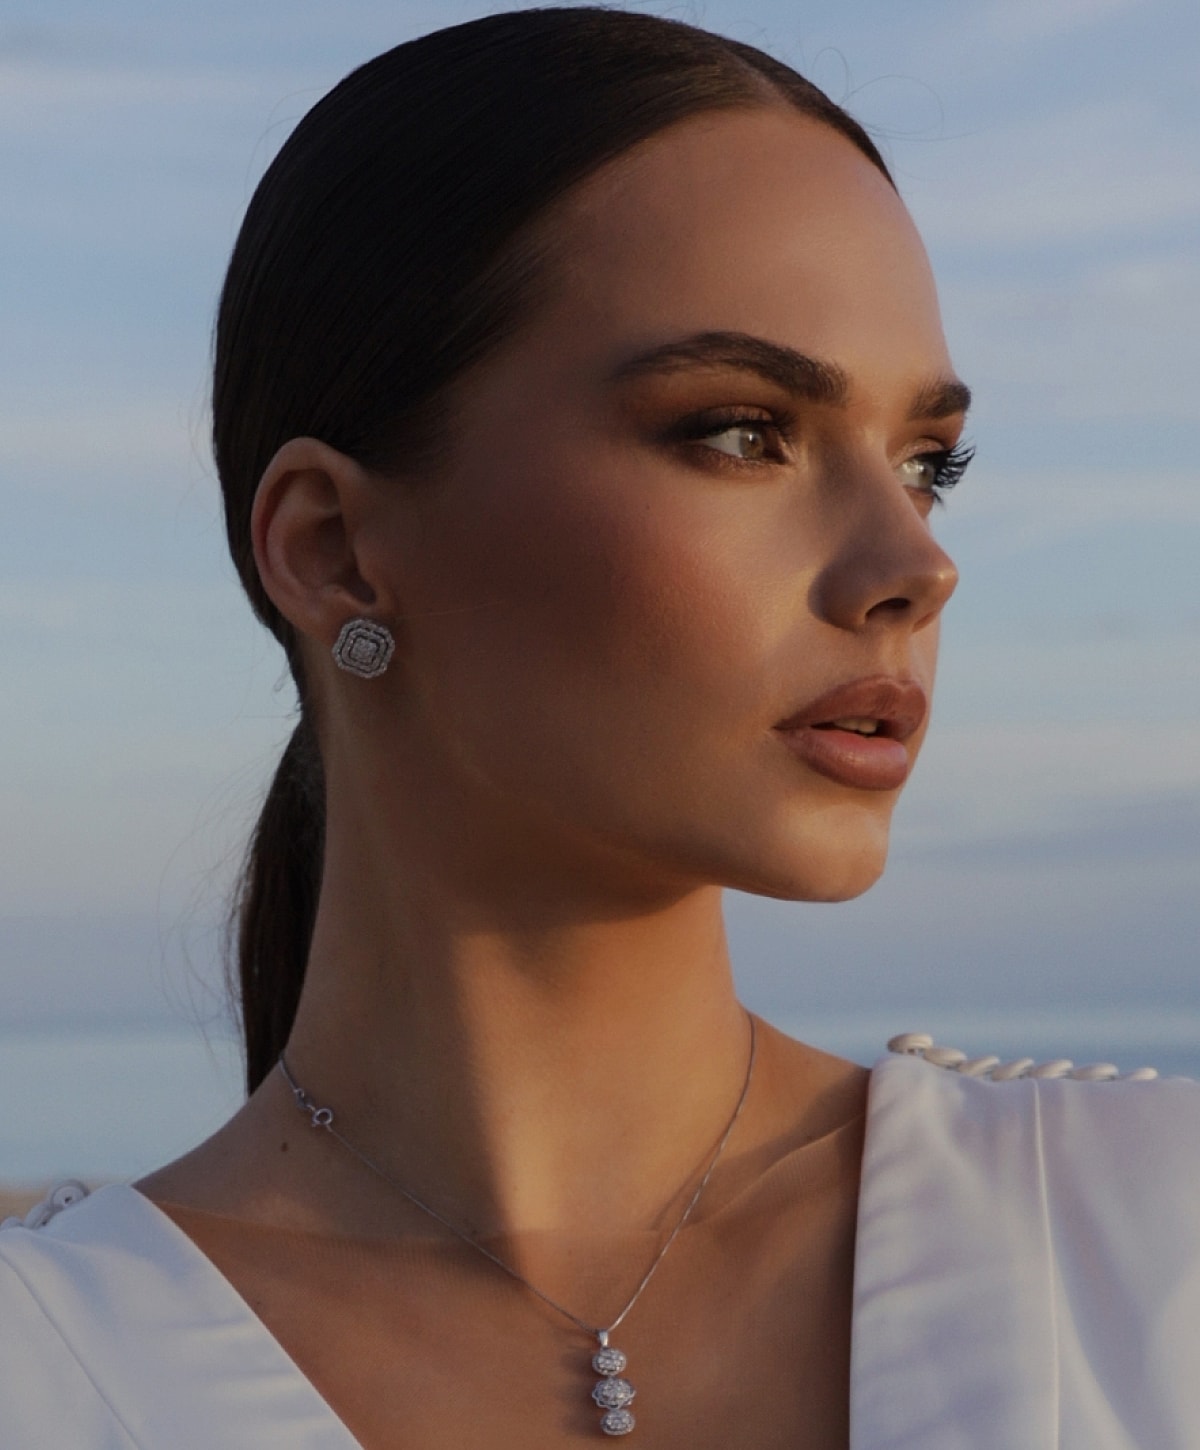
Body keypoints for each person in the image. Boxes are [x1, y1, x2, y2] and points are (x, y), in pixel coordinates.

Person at [3, 9, 1198, 1448]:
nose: (915, 563)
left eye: (928, 461)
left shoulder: (1148, 1238)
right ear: (331, 550)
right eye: (742, 432)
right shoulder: (47, 1368)